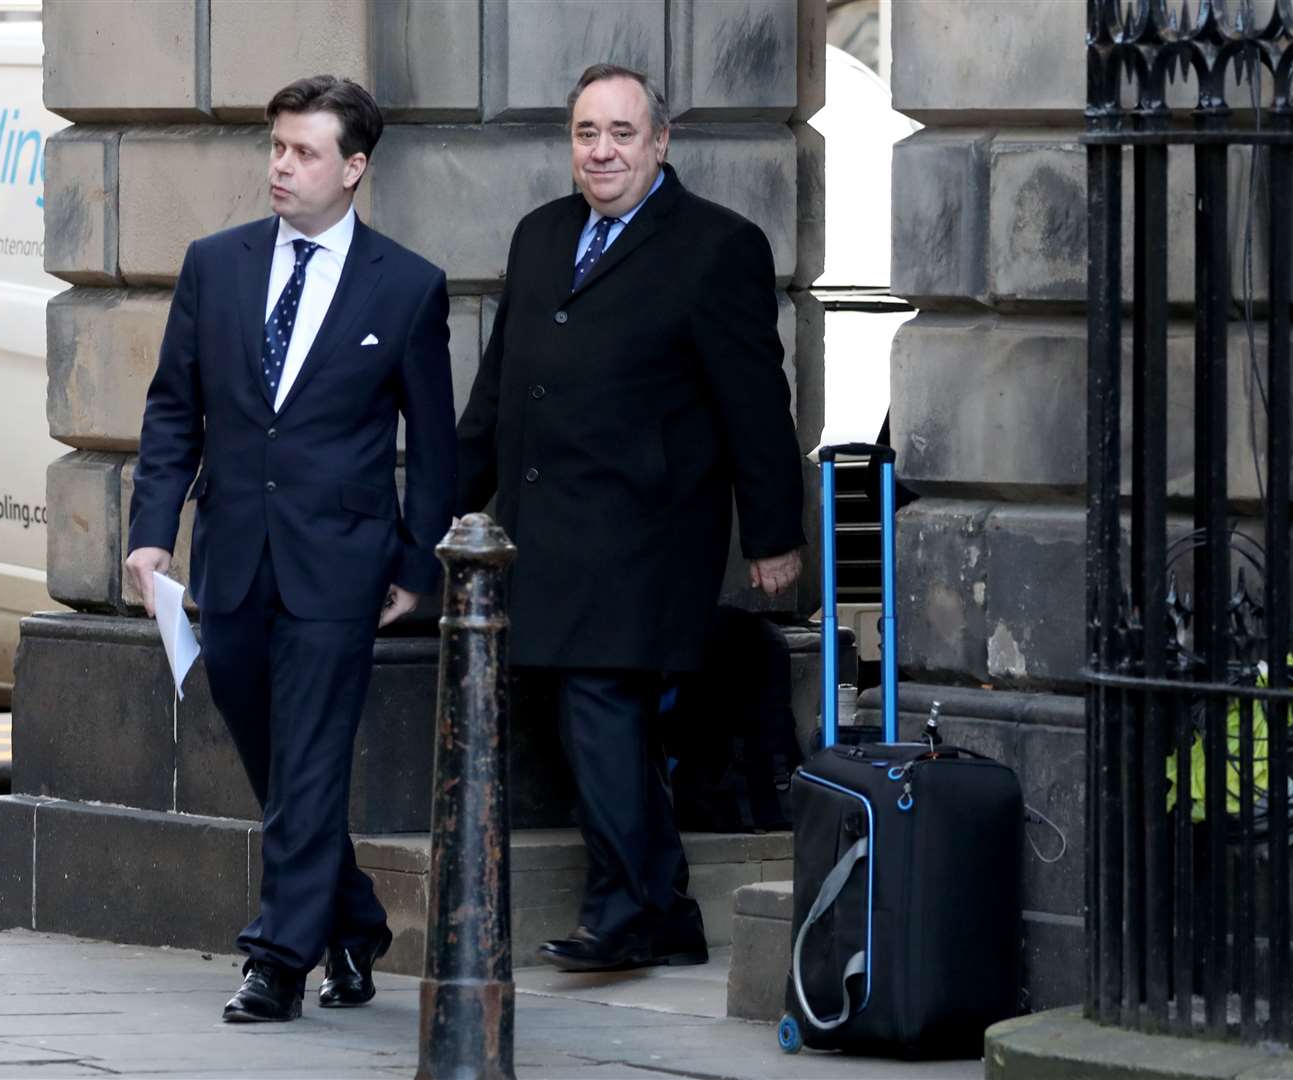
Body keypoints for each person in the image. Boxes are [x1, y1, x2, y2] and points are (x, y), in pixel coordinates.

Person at [455, 63, 806, 973]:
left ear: (660, 142)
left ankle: (624, 908)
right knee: (593, 720)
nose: (601, 150)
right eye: (585, 133)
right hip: (547, 530)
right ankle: (663, 907)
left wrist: (774, 537)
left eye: (620, 133)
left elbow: (755, 404)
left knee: (601, 709)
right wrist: (437, 517)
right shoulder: (541, 236)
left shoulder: (716, 245)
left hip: (647, 534)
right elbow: (497, 397)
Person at [124, 75, 457, 1021]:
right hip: (230, 561)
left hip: (339, 568)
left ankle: (277, 959)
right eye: (275, 147)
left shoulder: (407, 285)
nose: (281, 165)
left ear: (355, 168)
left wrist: (416, 565)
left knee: (312, 761)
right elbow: (170, 412)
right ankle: (354, 923)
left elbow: (432, 446)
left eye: (303, 152)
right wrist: (152, 536)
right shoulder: (214, 264)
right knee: (278, 763)